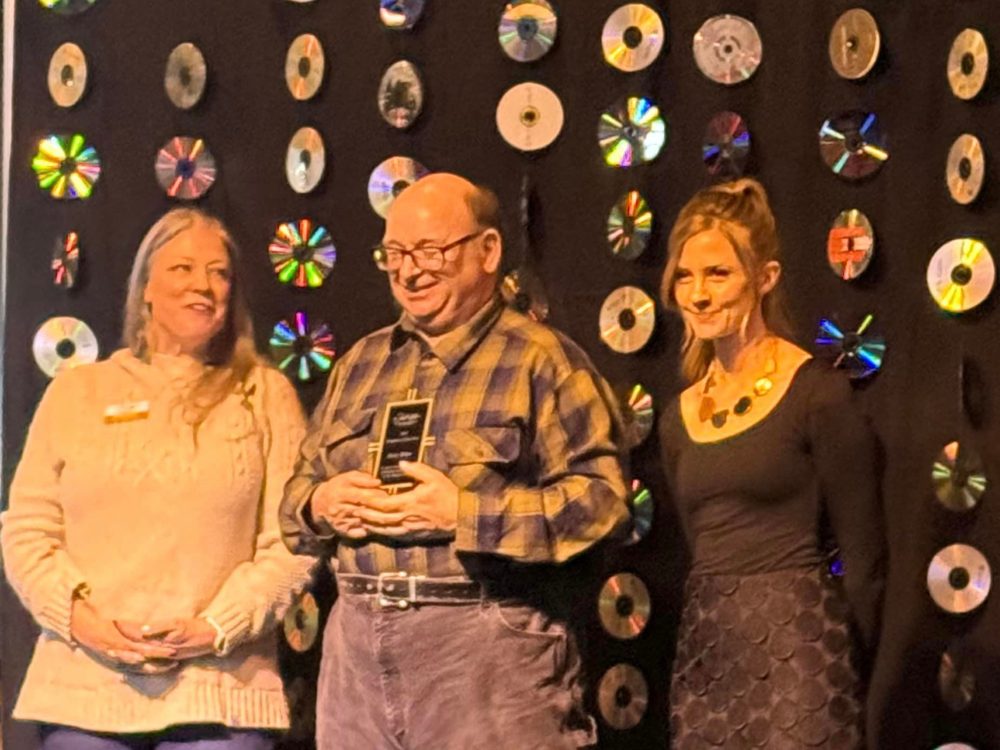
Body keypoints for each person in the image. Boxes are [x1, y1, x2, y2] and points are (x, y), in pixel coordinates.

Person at [279, 173, 631, 750]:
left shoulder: (541, 359)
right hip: (356, 658)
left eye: (429, 251)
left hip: (486, 650)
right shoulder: (360, 363)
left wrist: (464, 514)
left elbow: (603, 505)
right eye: (393, 255)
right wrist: (319, 504)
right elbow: (294, 504)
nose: (410, 272)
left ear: (488, 251)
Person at [1, 208, 316, 750]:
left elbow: (292, 542)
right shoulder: (78, 393)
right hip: (85, 687)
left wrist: (217, 627)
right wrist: (81, 621)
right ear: (145, 286)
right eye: (184, 268)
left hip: (221, 691)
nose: (204, 285)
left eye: (220, 273)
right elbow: (27, 530)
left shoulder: (266, 397)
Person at [657, 178, 885, 748]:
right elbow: (698, 544)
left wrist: (836, 662)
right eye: (685, 276)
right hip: (707, 656)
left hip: (801, 654)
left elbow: (865, 565)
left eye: (718, 274)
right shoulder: (677, 417)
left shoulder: (817, 396)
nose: (699, 294)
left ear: (765, 278)